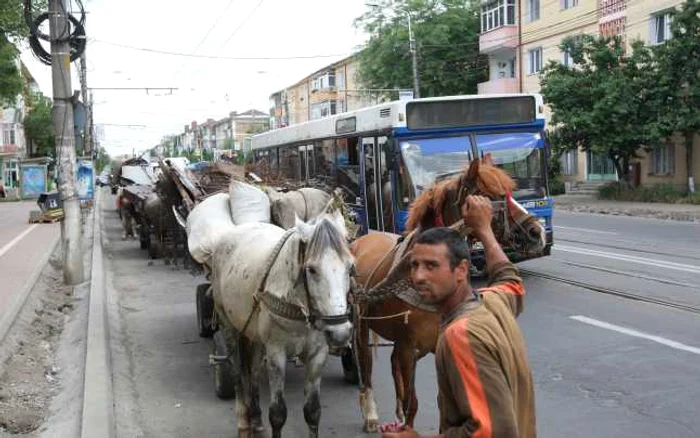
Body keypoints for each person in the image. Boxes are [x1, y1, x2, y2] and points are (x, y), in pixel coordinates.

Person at [381, 195, 536, 438]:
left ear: (462, 270)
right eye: (414, 265)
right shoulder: (494, 301)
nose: (419, 276)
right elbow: (511, 282)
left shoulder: (460, 335)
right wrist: (484, 230)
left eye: (431, 266)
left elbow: (490, 432)